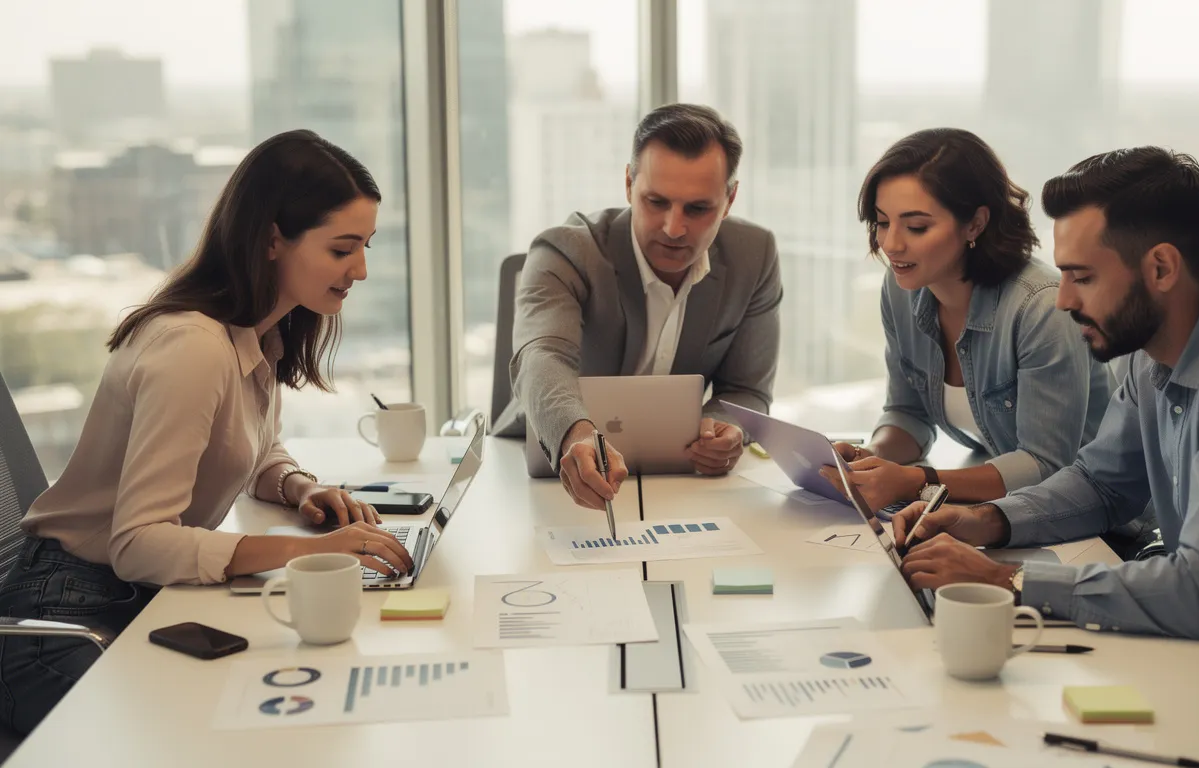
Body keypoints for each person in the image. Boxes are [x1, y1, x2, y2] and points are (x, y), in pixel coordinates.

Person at [888, 146, 1199, 727]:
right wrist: (986, 519)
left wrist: (1006, 579)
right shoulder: (1155, 348)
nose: (1063, 299)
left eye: (1082, 276)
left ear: (1160, 268)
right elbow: (1102, 485)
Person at [0, 130, 415, 735]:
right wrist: (310, 553)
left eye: (366, 246)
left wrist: (297, 486)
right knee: (207, 737)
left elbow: (249, 447)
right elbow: (139, 543)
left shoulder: (255, 334)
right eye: (342, 249)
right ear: (274, 238)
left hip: (136, 598)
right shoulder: (192, 348)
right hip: (64, 622)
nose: (362, 270)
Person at [497, 103, 783, 510]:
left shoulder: (754, 255)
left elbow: (748, 391)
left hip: (687, 487)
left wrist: (729, 428)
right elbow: (542, 355)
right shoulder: (565, 250)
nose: (673, 228)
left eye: (698, 209)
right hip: (549, 473)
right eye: (656, 202)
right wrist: (575, 434)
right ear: (629, 184)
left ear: (730, 198)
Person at [820, 128, 1112, 512]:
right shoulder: (901, 287)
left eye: (917, 227)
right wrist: (870, 460)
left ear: (975, 224)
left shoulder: (1041, 309)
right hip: (1001, 510)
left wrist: (913, 482)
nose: (891, 244)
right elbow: (909, 413)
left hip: (1092, 521)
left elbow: (1046, 467)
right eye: (882, 222)